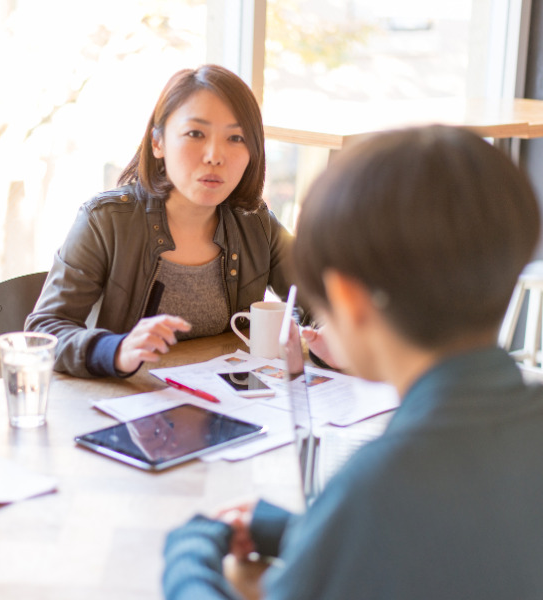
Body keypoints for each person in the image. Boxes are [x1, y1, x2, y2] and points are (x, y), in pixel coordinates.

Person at [162, 124, 543, 599]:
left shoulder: (380, 485)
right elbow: (461, 544)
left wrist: (188, 553)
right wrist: (310, 530)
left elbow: (390, 521)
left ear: (347, 297)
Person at [27, 64, 316, 378]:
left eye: (235, 138)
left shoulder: (256, 223)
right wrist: (116, 349)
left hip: (228, 406)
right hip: (127, 404)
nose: (215, 156)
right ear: (158, 143)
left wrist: (328, 341)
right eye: (195, 134)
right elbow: (44, 330)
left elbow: (323, 305)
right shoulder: (105, 221)